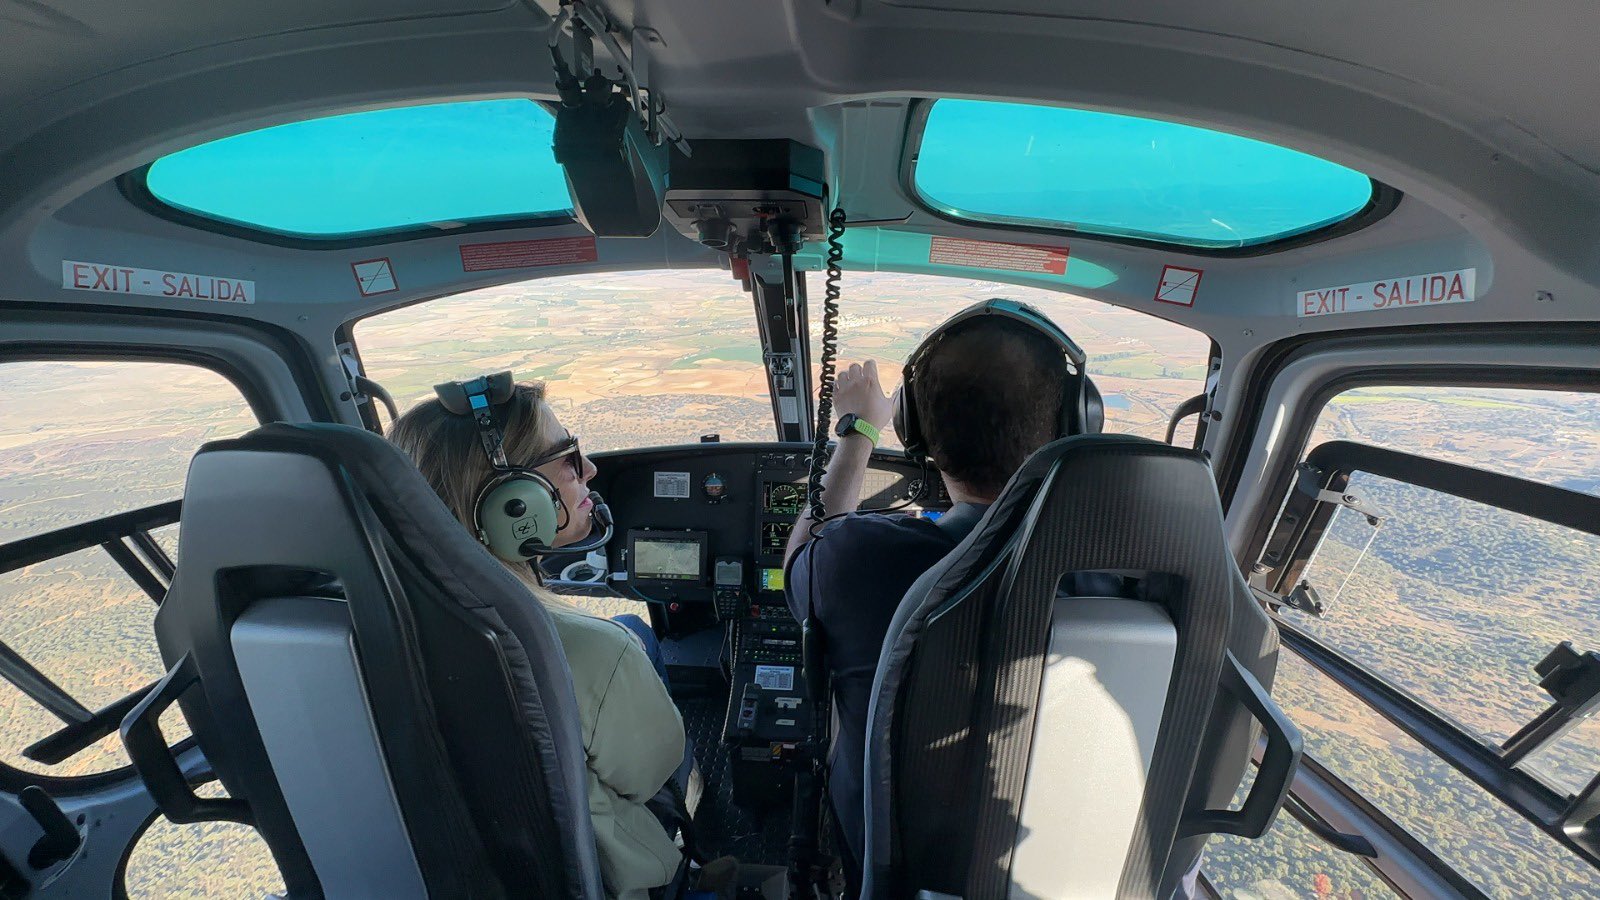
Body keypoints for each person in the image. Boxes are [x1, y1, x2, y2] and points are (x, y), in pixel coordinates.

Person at [783, 303, 1085, 891]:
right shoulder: (1135, 572)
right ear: (1076, 422)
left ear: (916, 430)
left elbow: (801, 553)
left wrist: (858, 432)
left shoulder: (860, 559)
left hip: (887, 862)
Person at [390, 380, 686, 900]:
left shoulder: (367, 628)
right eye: (569, 459)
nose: (590, 470)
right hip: (594, 875)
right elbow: (654, 771)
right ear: (514, 504)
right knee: (631, 637)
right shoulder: (590, 652)